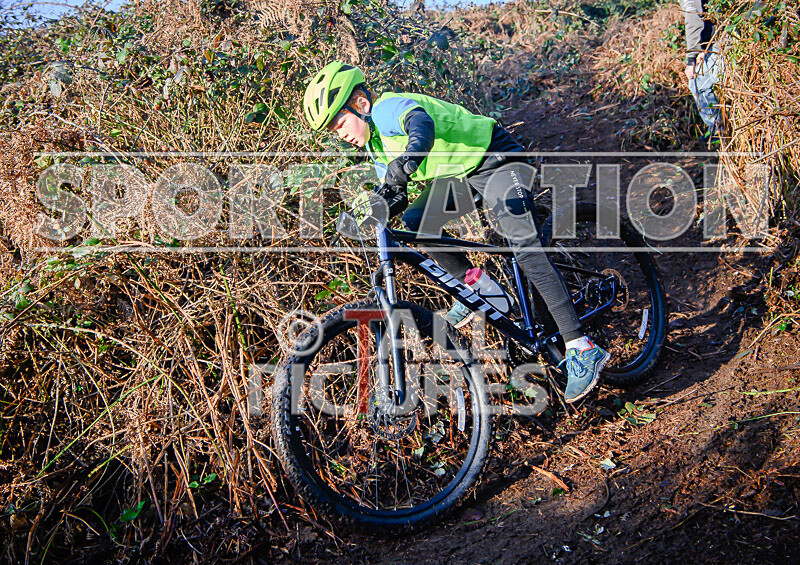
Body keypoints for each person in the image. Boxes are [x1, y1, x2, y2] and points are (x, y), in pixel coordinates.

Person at [302, 60, 610, 403]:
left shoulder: (387, 109)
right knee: (417, 222)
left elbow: (420, 123)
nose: (340, 133)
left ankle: (582, 347)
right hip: (462, 178)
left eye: (340, 122)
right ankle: (482, 288)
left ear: (360, 104)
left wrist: (410, 159)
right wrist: (365, 214)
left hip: (496, 159)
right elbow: (393, 193)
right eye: (333, 129)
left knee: (525, 250)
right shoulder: (376, 148)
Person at [680, 0, 722, 138]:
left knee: (697, 84)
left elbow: (693, 16)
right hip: (724, 34)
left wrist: (692, 58)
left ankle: (718, 132)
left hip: (720, 39)